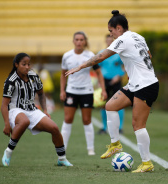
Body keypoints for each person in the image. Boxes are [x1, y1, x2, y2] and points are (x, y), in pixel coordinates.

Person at [65, 10, 159, 173]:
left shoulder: (122, 39)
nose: (111, 35)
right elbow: (148, 56)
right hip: (137, 83)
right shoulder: (138, 37)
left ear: (119, 28)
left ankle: (146, 163)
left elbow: (101, 56)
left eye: (111, 31)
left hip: (146, 85)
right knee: (110, 106)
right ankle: (115, 145)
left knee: (138, 125)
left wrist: (80, 66)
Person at [1, 53, 72, 167]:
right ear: (16, 65)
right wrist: (6, 124)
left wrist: (45, 110)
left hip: (32, 110)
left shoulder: (33, 76)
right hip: (15, 110)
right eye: (24, 64)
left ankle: (62, 159)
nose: (27, 67)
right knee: (24, 121)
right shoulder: (11, 80)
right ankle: (8, 152)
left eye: (29, 64)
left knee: (54, 128)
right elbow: (4, 105)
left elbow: (41, 94)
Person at [60, 31, 108, 156]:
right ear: (73, 41)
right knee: (68, 119)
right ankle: (62, 148)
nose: (79, 42)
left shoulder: (90, 55)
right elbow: (63, 74)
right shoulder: (66, 56)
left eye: (82, 40)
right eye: (77, 39)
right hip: (71, 91)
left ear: (85, 41)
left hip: (86, 91)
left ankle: (90, 149)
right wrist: (62, 90)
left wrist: (103, 89)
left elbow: (98, 73)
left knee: (87, 120)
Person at [97, 34, 125, 135]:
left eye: (111, 41)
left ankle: (120, 127)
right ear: (106, 41)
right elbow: (97, 69)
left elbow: (125, 67)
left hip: (116, 81)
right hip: (104, 81)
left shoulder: (119, 53)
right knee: (103, 104)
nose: (109, 42)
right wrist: (99, 82)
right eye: (107, 40)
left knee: (120, 104)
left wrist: (119, 76)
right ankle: (104, 127)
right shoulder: (101, 53)